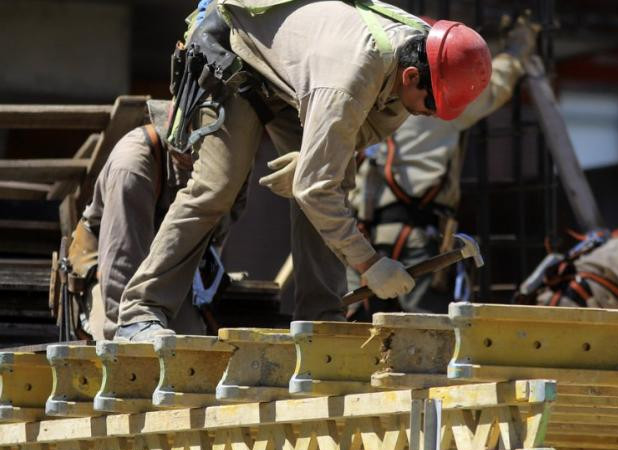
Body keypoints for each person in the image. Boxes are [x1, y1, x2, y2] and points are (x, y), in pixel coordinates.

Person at [116, 0, 492, 341]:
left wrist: (316, 157)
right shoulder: (353, 76)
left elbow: (366, 129)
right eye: (429, 105)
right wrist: (369, 263)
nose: (427, 114)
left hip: (298, 78)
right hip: (235, 53)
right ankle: (140, 313)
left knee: (334, 175)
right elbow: (316, 189)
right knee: (217, 187)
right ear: (411, 77)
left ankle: (322, 323)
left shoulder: (418, 57)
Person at [341, 15, 539, 318]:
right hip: (417, 233)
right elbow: (495, 86)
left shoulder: (373, 94)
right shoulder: (440, 102)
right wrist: (516, 49)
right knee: (428, 325)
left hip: (363, 237)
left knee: (357, 323)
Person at [71, 100, 244, 340]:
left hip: (169, 273)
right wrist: (123, 343)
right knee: (121, 350)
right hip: (111, 276)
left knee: (191, 350)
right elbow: (120, 266)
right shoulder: (132, 166)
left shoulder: (231, 164)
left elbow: (218, 230)